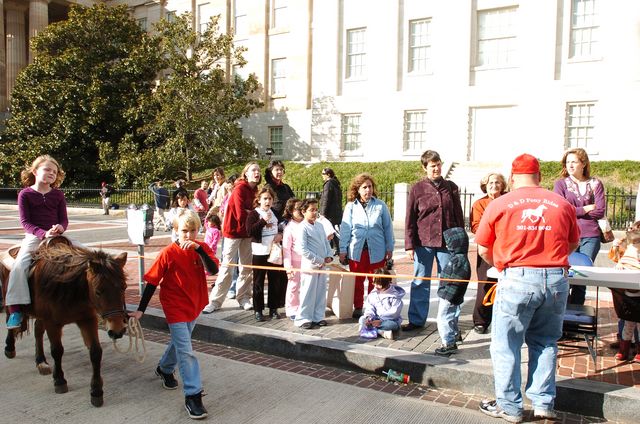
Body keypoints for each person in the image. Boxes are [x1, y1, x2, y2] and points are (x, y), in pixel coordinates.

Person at [475, 153, 579, 422]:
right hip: (555, 278)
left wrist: (502, 264)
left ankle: (510, 406)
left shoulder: (500, 204)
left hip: (517, 276)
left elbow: (483, 247)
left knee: (506, 344)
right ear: (540, 176)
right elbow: (572, 244)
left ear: (512, 177)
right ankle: (543, 401)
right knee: (545, 341)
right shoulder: (561, 203)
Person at [129, 209, 218, 420]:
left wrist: (200, 251)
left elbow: (213, 269)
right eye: (184, 231)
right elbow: (152, 281)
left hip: (195, 303)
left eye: (193, 231)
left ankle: (165, 368)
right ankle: (193, 395)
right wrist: (141, 309)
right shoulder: (168, 252)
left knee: (181, 342)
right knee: (186, 351)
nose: (189, 235)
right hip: (174, 305)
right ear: (176, 231)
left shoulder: (201, 247)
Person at [5, 155, 71, 329]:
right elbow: (25, 222)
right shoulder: (25, 194)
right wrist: (43, 233)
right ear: (35, 171)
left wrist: (60, 228)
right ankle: (15, 310)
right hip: (35, 236)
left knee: (89, 256)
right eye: (47, 169)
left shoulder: (58, 194)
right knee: (19, 267)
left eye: (54, 172)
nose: (51, 173)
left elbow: (64, 220)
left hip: (57, 236)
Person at [403, 150, 464, 331]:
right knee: (421, 280)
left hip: (447, 243)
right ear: (425, 168)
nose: (436, 168)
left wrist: (461, 241)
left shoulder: (451, 187)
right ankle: (416, 319)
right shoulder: (417, 189)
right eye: (432, 166)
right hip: (424, 243)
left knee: (448, 282)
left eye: (438, 164)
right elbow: (410, 218)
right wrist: (409, 245)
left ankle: (448, 321)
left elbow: (458, 216)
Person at [202, 162, 261, 313]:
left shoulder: (256, 191)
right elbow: (242, 215)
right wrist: (253, 214)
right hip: (233, 232)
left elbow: (256, 212)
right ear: (246, 173)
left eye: (258, 170)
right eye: (253, 170)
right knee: (227, 267)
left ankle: (244, 297)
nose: (257, 172)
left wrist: (253, 213)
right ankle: (215, 301)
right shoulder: (240, 188)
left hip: (247, 234)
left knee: (246, 267)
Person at [553, 147, 606, 305]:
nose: (570, 165)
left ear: (583, 164)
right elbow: (560, 209)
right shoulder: (561, 184)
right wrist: (585, 208)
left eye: (574, 162)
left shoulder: (596, 184)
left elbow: (600, 210)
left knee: (582, 277)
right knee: (564, 276)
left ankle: (575, 316)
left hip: (590, 236)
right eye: (567, 162)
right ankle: (562, 314)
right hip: (567, 235)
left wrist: (573, 210)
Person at [339, 173, 394, 319]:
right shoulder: (351, 207)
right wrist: (343, 249)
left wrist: (390, 248)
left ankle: (373, 307)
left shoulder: (380, 205)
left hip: (376, 250)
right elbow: (345, 229)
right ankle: (358, 306)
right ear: (357, 189)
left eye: (370, 187)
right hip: (357, 251)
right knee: (357, 280)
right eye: (364, 187)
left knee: (375, 281)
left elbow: (388, 228)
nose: (368, 190)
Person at [470, 172, 507, 334]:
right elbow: (476, 226)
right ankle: (481, 320)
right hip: (487, 248)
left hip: (506, 248)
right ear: (485, 185)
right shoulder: (480, 204)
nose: (494, 185)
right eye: (491, 183)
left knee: (506, 285)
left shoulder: (508, 200)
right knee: (485, 284)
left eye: (497, 182)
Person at [246, 186, 286, 321]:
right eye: (265, 199)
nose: (267, 201)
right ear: (259, 200)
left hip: (274, 252)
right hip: (260, 252)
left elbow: (282, 226)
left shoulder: (274, 212)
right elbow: (250, 231)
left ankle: (273, 309)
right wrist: (263, 221)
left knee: (275, 281)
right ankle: (258, 310)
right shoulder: (254, 213)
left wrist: (280, 234)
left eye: (270, 198)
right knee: (258, 282)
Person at [295, 198, 333, 329]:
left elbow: (326, 242)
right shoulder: (302, 228)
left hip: (322, 266)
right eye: (311, 210)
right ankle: (303, 318)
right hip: (310, 266)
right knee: (308, 292)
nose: (314, 213)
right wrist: (319, 260)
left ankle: (318, 316)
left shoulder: (320, 225)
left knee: (321, 291)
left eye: (316, 210)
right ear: (303, 211)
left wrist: (329, 255)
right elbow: (303, 249)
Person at [434, 227, 471, 356]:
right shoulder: (460, 258)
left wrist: (446, 294)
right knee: (451, 317)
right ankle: (455, 335)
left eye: (449, 242)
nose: (447, 245)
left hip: (449, 295)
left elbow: (455, 281)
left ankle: (448, 343)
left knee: (443, 318)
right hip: (452, 295)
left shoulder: (458, 261)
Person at [609, 221, 640, 362]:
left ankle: (638, 350)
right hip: (627, 293)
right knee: (627, 323)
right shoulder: (628, 246)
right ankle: (624, 348)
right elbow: (618, 258)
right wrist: (616, 247)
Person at [358, 268, 405, 340]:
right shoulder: (374, 293)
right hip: (375, 318)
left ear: (387, 283)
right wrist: (369, 317)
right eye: (374, 283)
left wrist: (381, 321)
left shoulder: (395, 295)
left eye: (378, 284)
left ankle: (374, 330)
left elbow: (394, 312)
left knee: (391, 325)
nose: (375, 286)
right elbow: (370, 306)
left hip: (388, 320)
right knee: (362, 319)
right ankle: (380, 331)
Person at [282, 198, 303, 320]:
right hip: (294, 261)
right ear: (290, 211)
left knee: (305, 286)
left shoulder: (307, 224)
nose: (300, 211)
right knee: (293, 286)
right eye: (296, 209)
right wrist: (288, 267)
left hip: (307, 261)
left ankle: (303, 307)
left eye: (301, 208)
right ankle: (291, 309)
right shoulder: (289, 227)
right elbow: (286, 249)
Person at [320, 167, 342, 253]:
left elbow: (326, 199)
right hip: (336, 211)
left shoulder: (328, 184)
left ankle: (337, 248)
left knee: (331, 230)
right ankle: (337, 248)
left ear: (328, 175)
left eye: (323, 174)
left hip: (329, 213)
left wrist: (322, 213)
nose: (322, 176)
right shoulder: (336, 183)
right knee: (334, 230)